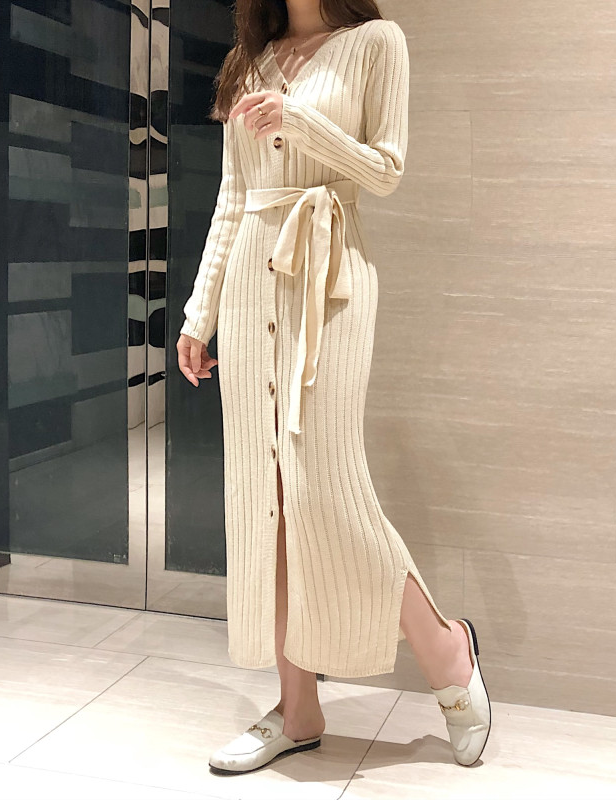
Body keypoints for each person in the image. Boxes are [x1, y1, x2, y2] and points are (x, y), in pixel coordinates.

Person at [175, 0, 491, 774]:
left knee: (326, 488)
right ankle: (298, 709)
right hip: (249, 284)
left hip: (332, 279)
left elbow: (386, 169)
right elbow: (231, 198)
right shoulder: (250, 58)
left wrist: (301, 123)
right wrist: (199, 313)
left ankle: (447, 648)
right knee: (268, 493)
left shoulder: (377, 43)